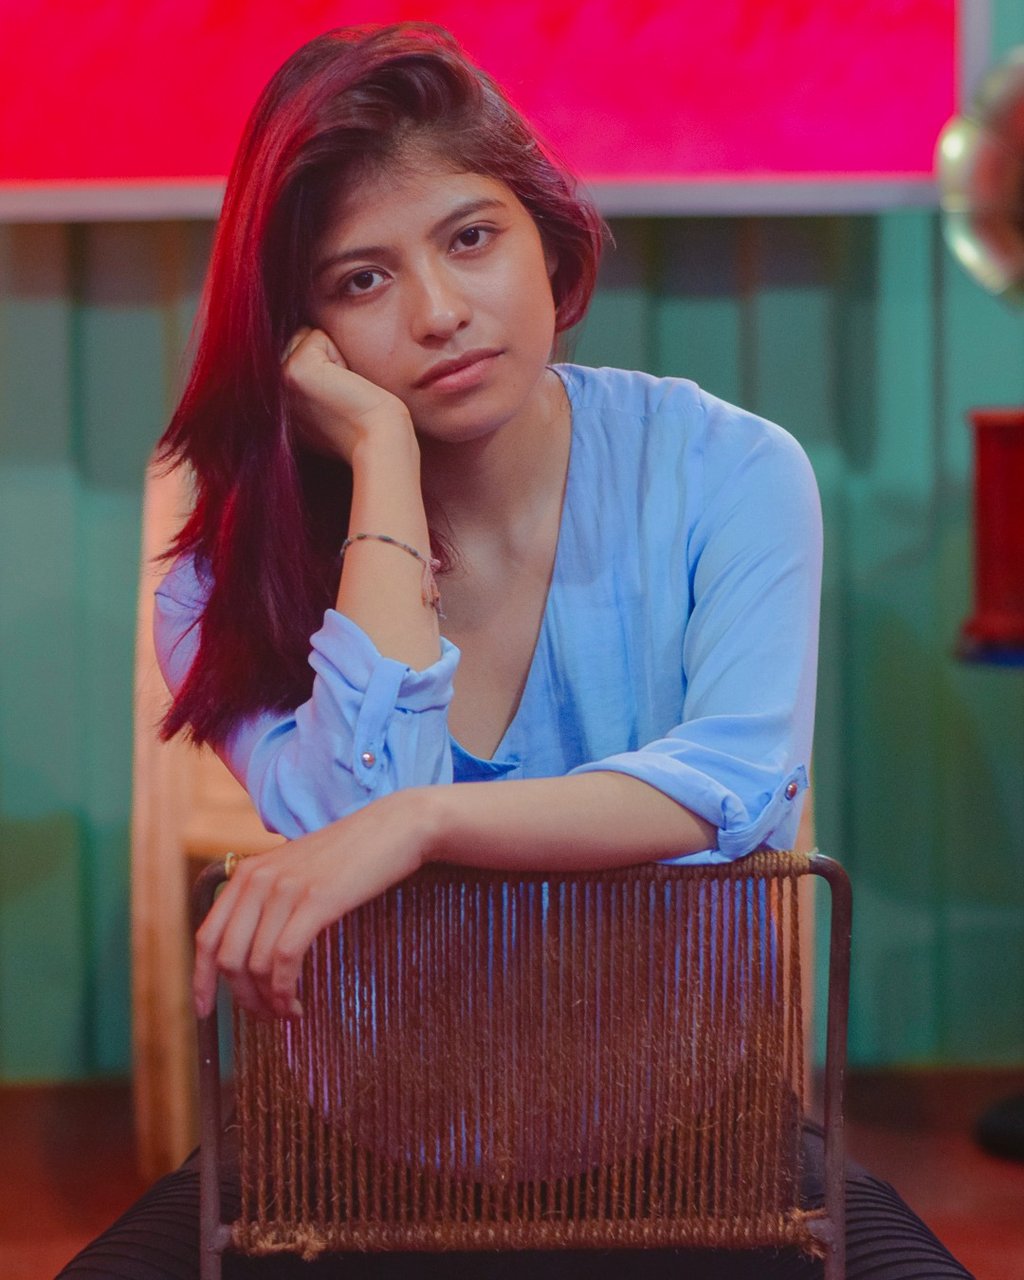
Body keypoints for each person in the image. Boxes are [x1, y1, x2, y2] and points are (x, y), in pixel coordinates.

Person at [59, 22, 973, 1280]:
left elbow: (735, 781)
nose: (439, 313)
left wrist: (430, 828)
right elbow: (354, 808)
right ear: (298, 335)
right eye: (361, 280)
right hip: (345, 1158)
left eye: (470, 238)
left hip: (690, 1147)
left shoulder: (727, 469)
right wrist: (381, 462)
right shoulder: (227, 572)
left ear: (546, 235)